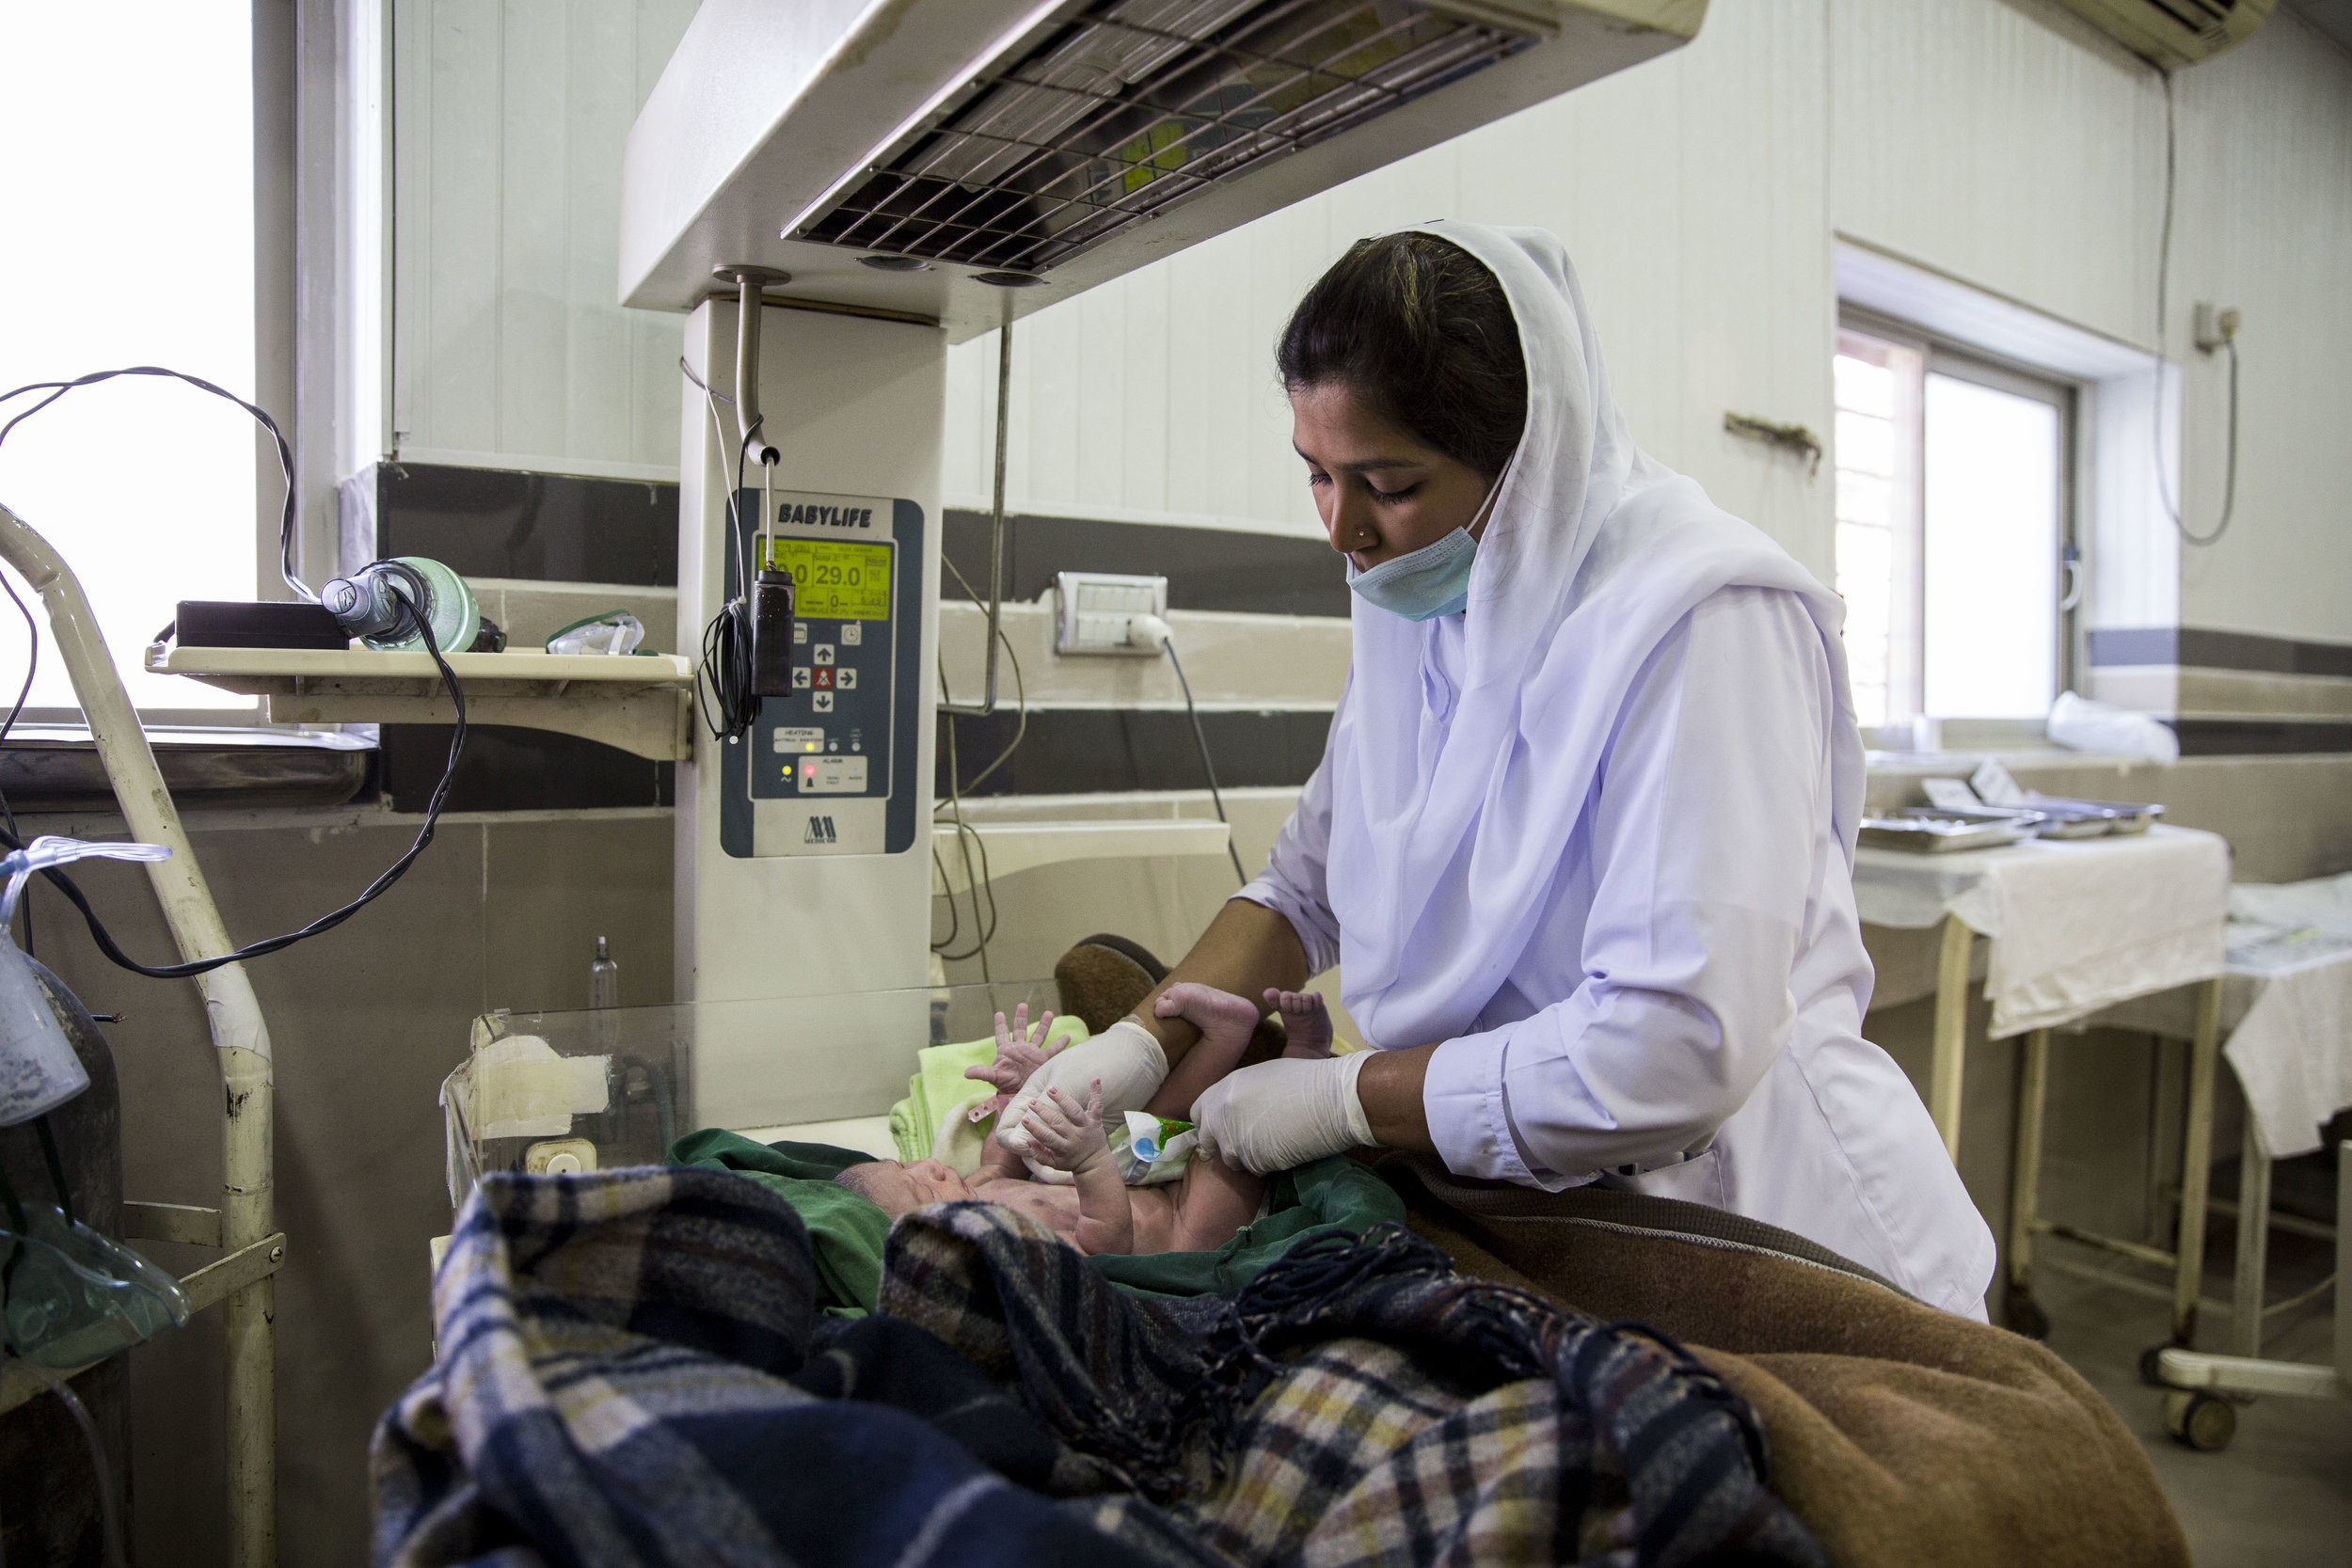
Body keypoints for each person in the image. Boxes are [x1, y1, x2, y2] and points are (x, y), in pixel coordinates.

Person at [999, 222, 1996, 1316]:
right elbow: (1304, 884)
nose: (1344, 529)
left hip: (1761, 1214)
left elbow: (1670, 1045)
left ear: (1527, 458)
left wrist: (1343, 1098)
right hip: (1539, 1198)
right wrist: (1141, 1043)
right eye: (1317, 474)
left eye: (1387, 480)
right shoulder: (1427, 603)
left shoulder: (1699, 621)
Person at [837, 991, 1331, 1254]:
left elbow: (1003, 1156)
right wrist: (1092, 1162)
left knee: (1164, 1114)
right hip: (1187, 1225)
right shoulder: (1003, 1246)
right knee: (1232, 1136)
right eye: (922, 1193)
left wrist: (1019, 1088)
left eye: (907, 1167)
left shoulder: (975, 1189)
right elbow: (1105, 1241)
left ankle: (1225, 1037)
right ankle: (1304, 1058)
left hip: (1138, 1170)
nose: (931, 1170)